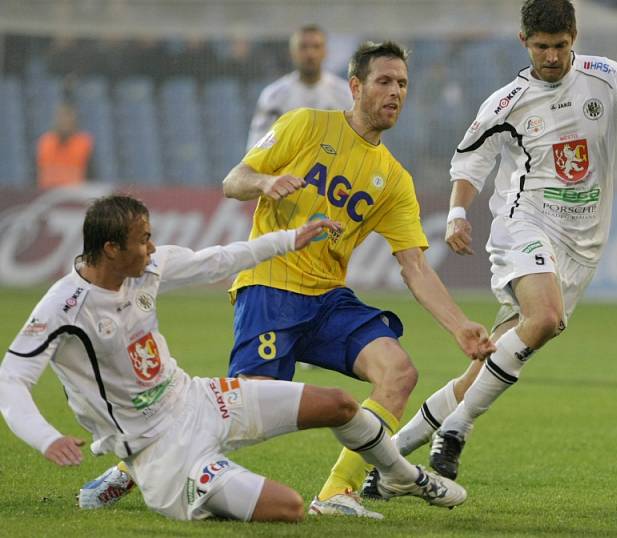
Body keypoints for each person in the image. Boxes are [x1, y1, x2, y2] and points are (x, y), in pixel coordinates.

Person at [361, 0, 617, 492]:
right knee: (544, 318)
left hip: (584, 243)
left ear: (573, 36)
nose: (552, 57)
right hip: (524, 223)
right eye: (542, 47)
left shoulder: (606, 77)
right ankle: (457, 430)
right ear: (524, 42)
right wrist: (454, 214)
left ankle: (387, 472)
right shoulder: (507, 101)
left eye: (560, 46)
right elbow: (470, 164)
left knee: (486, 367)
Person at [0, 195, 467, 523]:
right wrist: (45, 438)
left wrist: (289, 239)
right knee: (288, 509)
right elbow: (10, 380)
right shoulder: (64, 309)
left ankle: (405, 477)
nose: (153, 248)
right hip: (161, 451)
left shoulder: (146, 268)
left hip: (198, 398)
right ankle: (174, 486)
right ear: (111, 250)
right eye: (143, 240)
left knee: (340, 404)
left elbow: (218, 259)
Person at [218, 40, 495, 520]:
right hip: (271, 287)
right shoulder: (306, 124)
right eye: (384, 82)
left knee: (399, 372)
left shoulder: (394, 178)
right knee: (243, 415)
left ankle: (337, 491)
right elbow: (233, 179)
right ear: (355, 86)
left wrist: (458, 326)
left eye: (402, 84)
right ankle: (135, 464)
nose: (395, 93)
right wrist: (265, 183)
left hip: (327, 300)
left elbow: (414, 266)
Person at [246, 24, 353, 150]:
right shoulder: (273, 96)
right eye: (303, 47)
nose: (310, 53)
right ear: (292, 53)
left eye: (316, 46)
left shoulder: (345, 94)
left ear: (325, 52)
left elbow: (356, 143)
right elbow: (256, 147)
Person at [36, 102, 95, 189]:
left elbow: (91, 175)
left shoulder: (84, 143)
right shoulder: (45, 142)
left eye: (68, 118)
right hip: (48, 193)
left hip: (75, 194)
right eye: (61, 118)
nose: (64, 122)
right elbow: (37, 172)